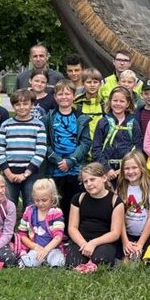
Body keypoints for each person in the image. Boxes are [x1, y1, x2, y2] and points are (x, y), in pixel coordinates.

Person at [0, 88, 47, 211]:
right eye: (18, 104)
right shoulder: (6, 124)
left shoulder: (38, 125)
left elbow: (41, 151)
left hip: (31, 173)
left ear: (32, 105)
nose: (21, 107)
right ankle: (9, 224)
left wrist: (26, 173)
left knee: (31, 205)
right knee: (7, 205)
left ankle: (28, 223)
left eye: (25, 104)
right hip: (9, 173)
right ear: (13, 106)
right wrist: (8, 173)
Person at [66, 162, 125, 270]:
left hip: (104, 242)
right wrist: (84, 244)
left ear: (104, 178)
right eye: (85, 181)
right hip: (81, 240)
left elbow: (115, 233)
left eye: (92, 179)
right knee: (73, 263)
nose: (89, 184)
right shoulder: (78, 198)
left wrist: (93, 243)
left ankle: (111, 260)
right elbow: (72, 228)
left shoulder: (115, 201)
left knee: (100, 260)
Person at [46, 81, 92, 216]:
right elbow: (44, 143)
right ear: (55, 97)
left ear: (74, 96)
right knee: (56, 207)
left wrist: (71, 160)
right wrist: (58, 160)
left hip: (76, 170)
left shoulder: (81, 118)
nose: (64, 97)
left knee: (75, 206)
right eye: (60, 94)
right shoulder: (48, 118)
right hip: (55, 170)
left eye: (67, 94)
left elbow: (85, 142)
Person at [117, 151, 150, 262]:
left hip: (149, 233)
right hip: (128, 234)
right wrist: (125, 242)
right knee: (123, 259)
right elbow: (119, 218)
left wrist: (140, 244)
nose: (130, 171)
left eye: (134, 168)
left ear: (142, 168)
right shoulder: (121, 188)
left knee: (141, 258)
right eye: (127, 168)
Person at [17, 178, 66, 268]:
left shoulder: (56, 213)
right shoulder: (29, 211)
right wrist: (34, 246)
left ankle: (50, 262)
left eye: (44, 200)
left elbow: (58, 236)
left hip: (53, 248)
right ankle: (37, 261)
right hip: (36, 249)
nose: (40, 203)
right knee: (28, 263)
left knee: (59, 262)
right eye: (37, 200)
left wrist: (46, 250)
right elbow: (22, 234)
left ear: (52, 198)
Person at [91, 85, 137, 183]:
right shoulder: (103, 122)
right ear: (110, 101)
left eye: (122, 101)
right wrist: (107, 169)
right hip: (106, 171)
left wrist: (125, 168)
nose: (118, 104)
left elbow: (138, 147)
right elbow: (96, 149)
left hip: (128, 171)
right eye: (115, 101)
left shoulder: (133, 123)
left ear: (128, 104)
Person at [75, 68, 106, 137]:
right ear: (83, 83)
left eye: (95, 82)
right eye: (89, 82)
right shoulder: (77, 103)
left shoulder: (104, 104)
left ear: (100, 84)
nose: (92, 85)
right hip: (82, 141)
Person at [132, 79, 150, 146]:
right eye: (146, 94)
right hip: (143, 147)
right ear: (141, 95)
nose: (149, 97)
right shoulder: (137, 113)